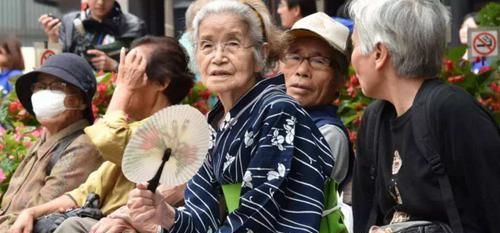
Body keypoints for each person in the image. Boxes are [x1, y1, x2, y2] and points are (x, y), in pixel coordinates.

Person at [127, 1, 335, 232]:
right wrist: (166, 214)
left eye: (233, 43)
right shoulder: (211, 125)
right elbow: (202, 217)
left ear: (261, 54)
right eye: (206, 45)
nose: (218, 57)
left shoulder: (278, 111)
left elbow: (257, 219)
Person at [8, 36, 194, 233]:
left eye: (132, 70)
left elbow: (107, 140)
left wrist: (124, 88)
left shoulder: (174, 129)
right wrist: (31, 212)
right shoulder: (129, 129)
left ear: (162, 82)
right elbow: (87, 191)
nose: (121, 77)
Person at [348, 0, 500, 232]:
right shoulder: (374, 120)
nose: (352, 57)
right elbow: (364, 217)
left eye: (355, 45)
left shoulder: (452, 111)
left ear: (379, 53)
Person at [0, 53, 103, 231]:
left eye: (57, 86)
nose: (44, 93)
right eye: (40, 86)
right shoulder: (45, 138)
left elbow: (41, 212)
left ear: (80, 100)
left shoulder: (83, 145)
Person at [280, 12, 353, 233]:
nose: (302, 71)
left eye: (319, 61)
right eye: (294, 56)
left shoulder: (327, 134)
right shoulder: (276, 118)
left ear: (340, 78)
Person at [38, 0, 146, 71]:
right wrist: (52, 39)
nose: (100, 3)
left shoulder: (133, 25)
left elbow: (143, 67)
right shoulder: (69, 21)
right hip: (75, 89)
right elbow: (53, 65)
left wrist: (115, 66)